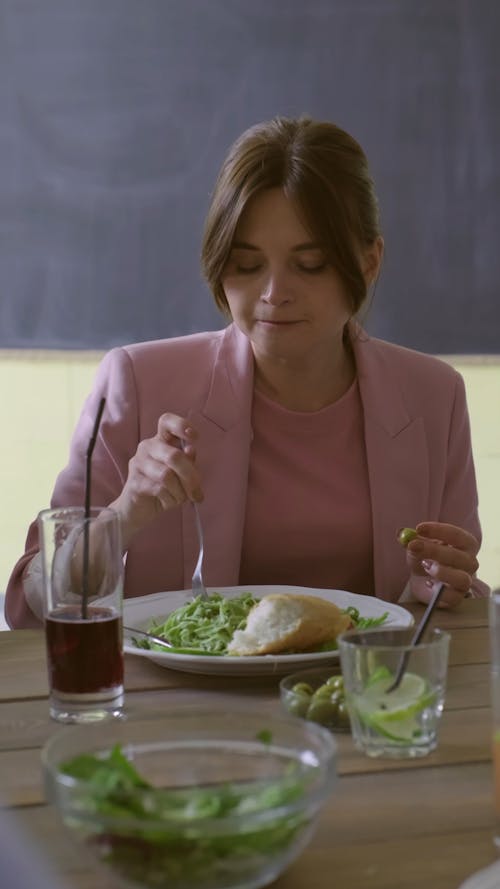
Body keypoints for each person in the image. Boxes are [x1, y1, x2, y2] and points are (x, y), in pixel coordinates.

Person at [5, 115, 489, 628]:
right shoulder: (139, 382)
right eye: (246, 264)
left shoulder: (433, 397)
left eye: (311, 264)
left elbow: (453, 599)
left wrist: (444, 584)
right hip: (179, 702)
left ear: (369, 263)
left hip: (354, 697)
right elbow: (32, 600)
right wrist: (124, 516)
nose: (274, 292)